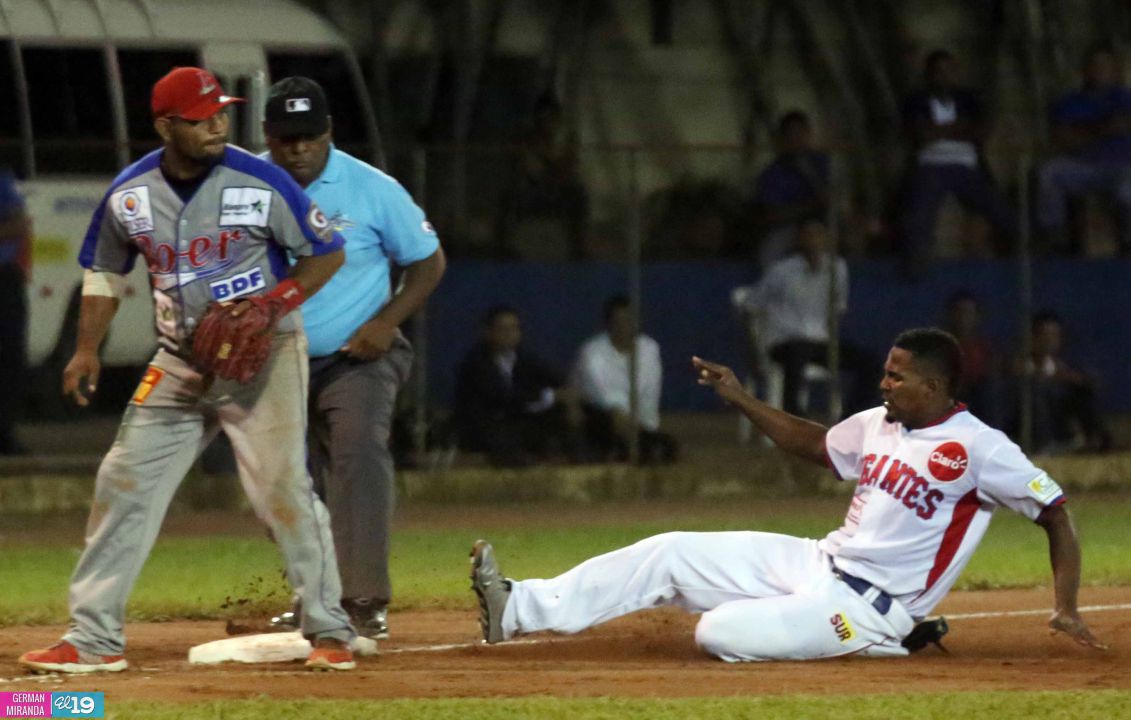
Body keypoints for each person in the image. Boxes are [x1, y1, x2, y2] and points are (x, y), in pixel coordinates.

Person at [469, 328, 1106, 661]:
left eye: (896, 374)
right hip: (818, 562)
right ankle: (518, 608)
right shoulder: (883, 423)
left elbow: (1056, 514)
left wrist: (1066, 606)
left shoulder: (981, 447)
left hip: (876, 607)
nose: (883, 381)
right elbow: (816, 444)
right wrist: (742, 398)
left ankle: (887, 644)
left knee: (717, 634)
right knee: (668, 552)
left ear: (934, 385)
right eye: (886, 370)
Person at [18, 67, 357, 673]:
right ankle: (94, 639)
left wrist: (274, 304)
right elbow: (103, 271)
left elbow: (326, 251)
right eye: (202, 118)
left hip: (265, 354)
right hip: (178, 359)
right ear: (165, 125)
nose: (217, 125)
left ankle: (330, 628)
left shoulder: (261, 181)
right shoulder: (130, 193)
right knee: (123, 483)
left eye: (221, 114)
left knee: (280, 488)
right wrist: (86, 348)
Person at [259, 77, 446, 640]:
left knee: (358, 450)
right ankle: (316, 595)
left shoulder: (371, 187)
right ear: (268, 136)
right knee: (282, 478)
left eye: (309, 136)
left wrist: (385, 322)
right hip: (274, 360)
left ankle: (362, 598)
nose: (298, 148)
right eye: (287, 138)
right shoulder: (248, 186)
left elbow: (429, 263)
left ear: (330, 133)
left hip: (356, 356)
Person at [731, 218, 875, 417]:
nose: (814, 241)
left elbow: (837, 310)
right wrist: (755, 352)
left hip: (819, 344)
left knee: (871, 362)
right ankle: (794, 417)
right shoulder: (782, 271)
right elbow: (751, 305)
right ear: (799, 240)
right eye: (809, 235)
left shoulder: (837, 269)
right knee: (798, 353)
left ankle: (851, 418)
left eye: (819, 235)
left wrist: (832, 340)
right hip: (784, 343)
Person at [900, 50, 1016, 274]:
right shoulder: (915, 99)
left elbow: (981, 132)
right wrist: (959, 128)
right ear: (929, 74)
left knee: (998, 207)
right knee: (921, 211)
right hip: (931, 164)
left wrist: (940, 131)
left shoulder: (969, 98)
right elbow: (920, 134)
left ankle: (1024, 250)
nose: (944, 76)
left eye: (948, 71)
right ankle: (916, 261)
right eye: (938, 71)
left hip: (966, 165)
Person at [454, 305, 583, 466]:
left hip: (517, 421)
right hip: (486, 425)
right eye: (503, 329)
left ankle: (579, 465)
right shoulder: (476, 363)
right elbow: (506, 397)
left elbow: (556, 378)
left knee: (563, 417)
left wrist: (570, 400)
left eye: (514, 328)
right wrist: (552, 396)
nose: (510, 334)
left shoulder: (524, 357)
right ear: (487, 332)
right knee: (505, 436)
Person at [1037, 47, 1131, 254]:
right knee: (1050, 172)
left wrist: (1085, 131)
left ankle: (1127, 241)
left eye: (1106, 66)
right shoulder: (1070, 102)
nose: (1100, 71)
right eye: (1095, 66)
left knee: (1128, 188)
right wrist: (1105, 128)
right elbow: (1064, 140)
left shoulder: (1125, 98)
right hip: (1084, 165)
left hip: (1123, 166)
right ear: (1085, 71)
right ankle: (1055, 238)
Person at [572, 295, 677, 464]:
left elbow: (649, 396)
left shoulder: (650, 349)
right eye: (618, 322)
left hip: (639, 426)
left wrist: (644, 428)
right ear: (608, 325)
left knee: (665, 448)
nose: (624, 327)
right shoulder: (592, 354)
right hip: (604, 422)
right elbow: (606, 402)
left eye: (629, 320)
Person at [500, 92, 590, 259]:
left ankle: (578, 247)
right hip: (533, 191)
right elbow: (530, 169)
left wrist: (553, 163)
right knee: (508, 196)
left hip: (559, 191)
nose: (547, 123)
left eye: (551, 118)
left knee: (579, 193)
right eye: (543, 118)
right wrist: (545, 164)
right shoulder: (527, 139)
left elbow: (568, 168)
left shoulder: (566, 139)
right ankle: (503, 247)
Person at [1011, 312, 1111, 454]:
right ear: (1032, 337)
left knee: (1083, 391)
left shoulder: (1063, 367)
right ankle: (1044, 445)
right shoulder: (1017, 366)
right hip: (1028, 427)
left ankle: (1094, 442)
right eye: (1043, 335)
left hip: (1059, 422)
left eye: (1053, 336)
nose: (1048, 341)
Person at [748, 111, 830, 269]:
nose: (797, 139)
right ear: (783, 139)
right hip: (790, 229)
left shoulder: (821, 163)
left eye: (801, 133)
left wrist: (812, 176)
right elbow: (772, 214)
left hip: (823, 225)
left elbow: (832, 197)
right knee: (770, 253)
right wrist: (808, 208)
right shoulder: (772, 173)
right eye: (791, 134)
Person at [0, 168, 32, 454]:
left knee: (9, 357)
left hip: (3, 277)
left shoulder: (1, 182)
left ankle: (4, 433)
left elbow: (18, 225)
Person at [942, 291, 1001, 425]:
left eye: (968, 312)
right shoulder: (939, 345)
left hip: (978, 396)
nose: (963, 317)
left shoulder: (985, 347)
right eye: (959, 312)